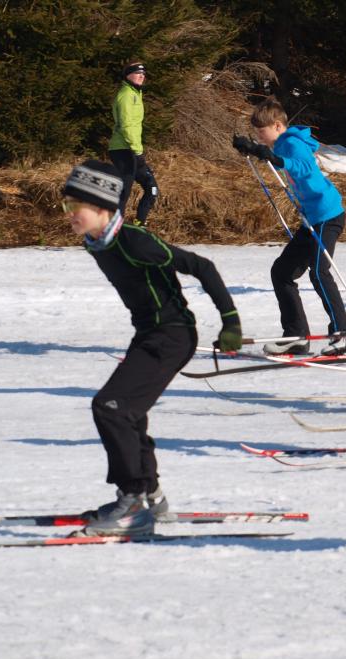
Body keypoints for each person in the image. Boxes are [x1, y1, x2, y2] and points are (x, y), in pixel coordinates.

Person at [61, 160, 242, 535]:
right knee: (129, 412)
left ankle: (132, 505)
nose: (69, 214)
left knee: (111, 407)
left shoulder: (133, 241)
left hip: (171, 336)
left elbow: (202, 266)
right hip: (149, 334)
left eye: (75, 206)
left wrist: (230, 320)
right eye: (66, 205)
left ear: (102, 207)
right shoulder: (98, 242)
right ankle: (150, 497)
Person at [231, 97, 346, 356]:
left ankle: (343, 333)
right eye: (257, 133)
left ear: (278, 126)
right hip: (312, 219)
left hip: (327, 215)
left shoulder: (292, 143)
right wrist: (253, 149)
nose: (260, 136)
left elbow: (303, 166)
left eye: (262, 132)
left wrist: (272, 157)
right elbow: (275, 157)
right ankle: (296, 336)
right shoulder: (281, 144)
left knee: (319, 273)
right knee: (282, 272)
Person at [109, 62, 159, 225]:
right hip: (123, 150)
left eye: (143, 74)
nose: (141, 76)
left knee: (152, 188)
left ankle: (139, 225)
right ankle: (113, 231)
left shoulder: (135, 93)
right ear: (128, 75)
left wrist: (137, 151)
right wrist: (137, 151)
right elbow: (127, 125)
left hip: (132, 149)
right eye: (137, 73)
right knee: (123, 192)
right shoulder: (126, 95)